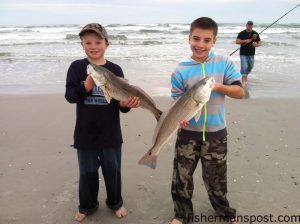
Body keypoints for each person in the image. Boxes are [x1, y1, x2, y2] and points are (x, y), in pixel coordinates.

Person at [170, 17, 244, 224]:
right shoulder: (180, 70)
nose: (200, 45)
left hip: (216, 133)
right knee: (181, 178)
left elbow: (239, 91)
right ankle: (182, 215)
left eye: (206, 40)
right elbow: (177, 103)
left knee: (216, 179)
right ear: (189, 38)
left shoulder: (224, 62)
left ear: (214, 41)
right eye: (196, 39)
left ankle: (224, 211)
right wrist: (179, 121)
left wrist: (218, 87)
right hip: (187, 134)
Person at [65, 23, 140, 222]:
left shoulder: (115, 69)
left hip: (110, 134)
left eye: (98, 41)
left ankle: (115, 202)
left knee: (113, 171)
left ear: (107, 43)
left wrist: (127, 104)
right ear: (82, 45)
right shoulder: (76, 67)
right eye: (87, 42)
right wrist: (86, 86)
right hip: (85, 133)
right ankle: (87, 205)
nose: (93, 46)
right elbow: (70, 96)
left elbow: (121, 105)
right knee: (87, 173)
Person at [236, 20, 261, 86]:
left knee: (250, 66)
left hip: (251, 53)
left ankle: (245, 75)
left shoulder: (255, 33)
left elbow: (259, 42)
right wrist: (244, 41)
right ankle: (243, 79)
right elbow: (237, 41)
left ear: (252, 26)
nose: (249, 26)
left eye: (251, 25)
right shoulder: (242, 33)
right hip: (243, 53)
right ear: (246, 25)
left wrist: (256, 44)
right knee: (244, 66)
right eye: (248, 25)